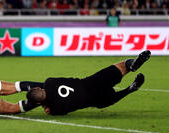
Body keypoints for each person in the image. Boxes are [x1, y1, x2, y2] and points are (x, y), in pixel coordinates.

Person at [22, 50, 151, 116]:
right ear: (39, 87)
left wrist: (45, 106)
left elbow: (51, 110)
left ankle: (130, 89)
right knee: (122, 66)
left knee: (112, 99)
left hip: (95, 99)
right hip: (91, 82)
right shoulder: (49, 82)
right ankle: (132, 66)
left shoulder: (55, 109)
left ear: (39, 103)